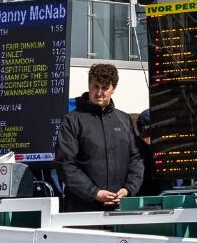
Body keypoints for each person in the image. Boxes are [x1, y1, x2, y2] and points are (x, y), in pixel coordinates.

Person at [56, 64, 144, 212]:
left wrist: (128, 189)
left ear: (113, 89)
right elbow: (65, 164)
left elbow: (136, 159)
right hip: (82, 211)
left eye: (104, 88)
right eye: (95, 86)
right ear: (89, 85)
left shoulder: (123, 120)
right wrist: (94, 193)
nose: (99, 93)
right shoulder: (72, 121)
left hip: (121, 209)